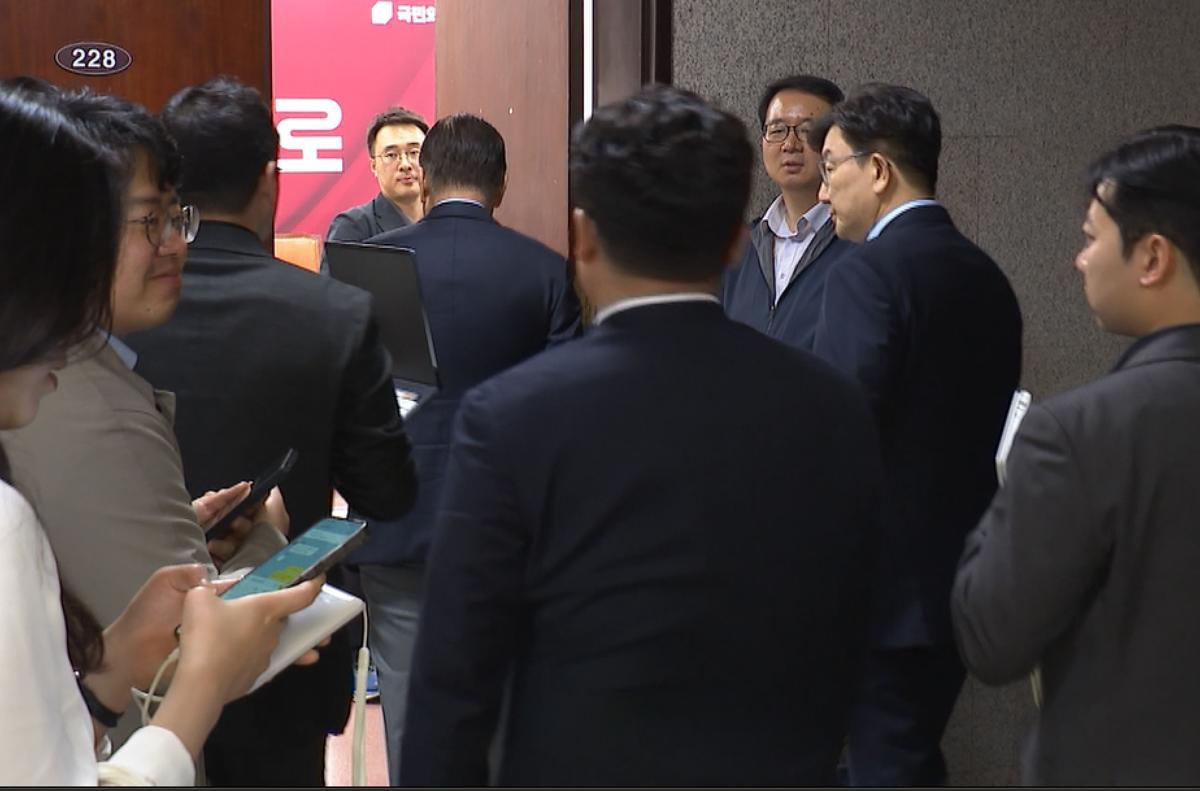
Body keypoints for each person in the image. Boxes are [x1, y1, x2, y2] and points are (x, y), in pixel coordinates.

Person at [399, 84, 884, 787]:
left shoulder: (512, 416)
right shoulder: (830, 407)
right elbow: (855, 625)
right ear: (734, 242)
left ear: (583, 238)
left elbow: (453, 678)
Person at [0, 79, 324, 787]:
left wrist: (112, 665)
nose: (174, 243)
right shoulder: (30, 491)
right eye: (149, 220)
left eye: (176, 217)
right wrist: (265, 549)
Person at [126, 76, 417, 786]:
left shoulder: (113, 315)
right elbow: (387, 492)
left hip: (133, 640)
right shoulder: (337, 313)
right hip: (284, 640)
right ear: (269, 180)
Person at [952, 125, 1200, 785]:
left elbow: (992, 636)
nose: (1079, 260)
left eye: (1091, 237)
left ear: (1152, 256)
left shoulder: (1077, 432)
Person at [806, 83, 1023, 785]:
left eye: (831, 167)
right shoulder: (986, 276)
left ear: (878, 170)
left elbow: (840, 430)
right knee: (906, 757)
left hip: (879, 587)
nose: (822, 191)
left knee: (884, 764)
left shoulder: (865, 274)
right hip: (961, 576)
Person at [358, 112, 580, 782]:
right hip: (507, 530)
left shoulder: (371, 269)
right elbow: (564, 411)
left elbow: (344, 396)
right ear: (501, 184)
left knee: (407, 711)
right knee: (506, 715)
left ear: (425, 179)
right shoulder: (546, 271)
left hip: (395, 521)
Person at [721, 74, 855, 350]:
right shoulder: (741, 246)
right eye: (777, 130)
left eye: (807, 131)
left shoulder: (857, 243)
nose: (790, 144)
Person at [319, 106, 428, 274]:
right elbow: (333, 289)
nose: (405, 164)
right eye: (391, 155)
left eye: (414, 152)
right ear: (373, 166)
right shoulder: (353, 227)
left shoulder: (445, 221)